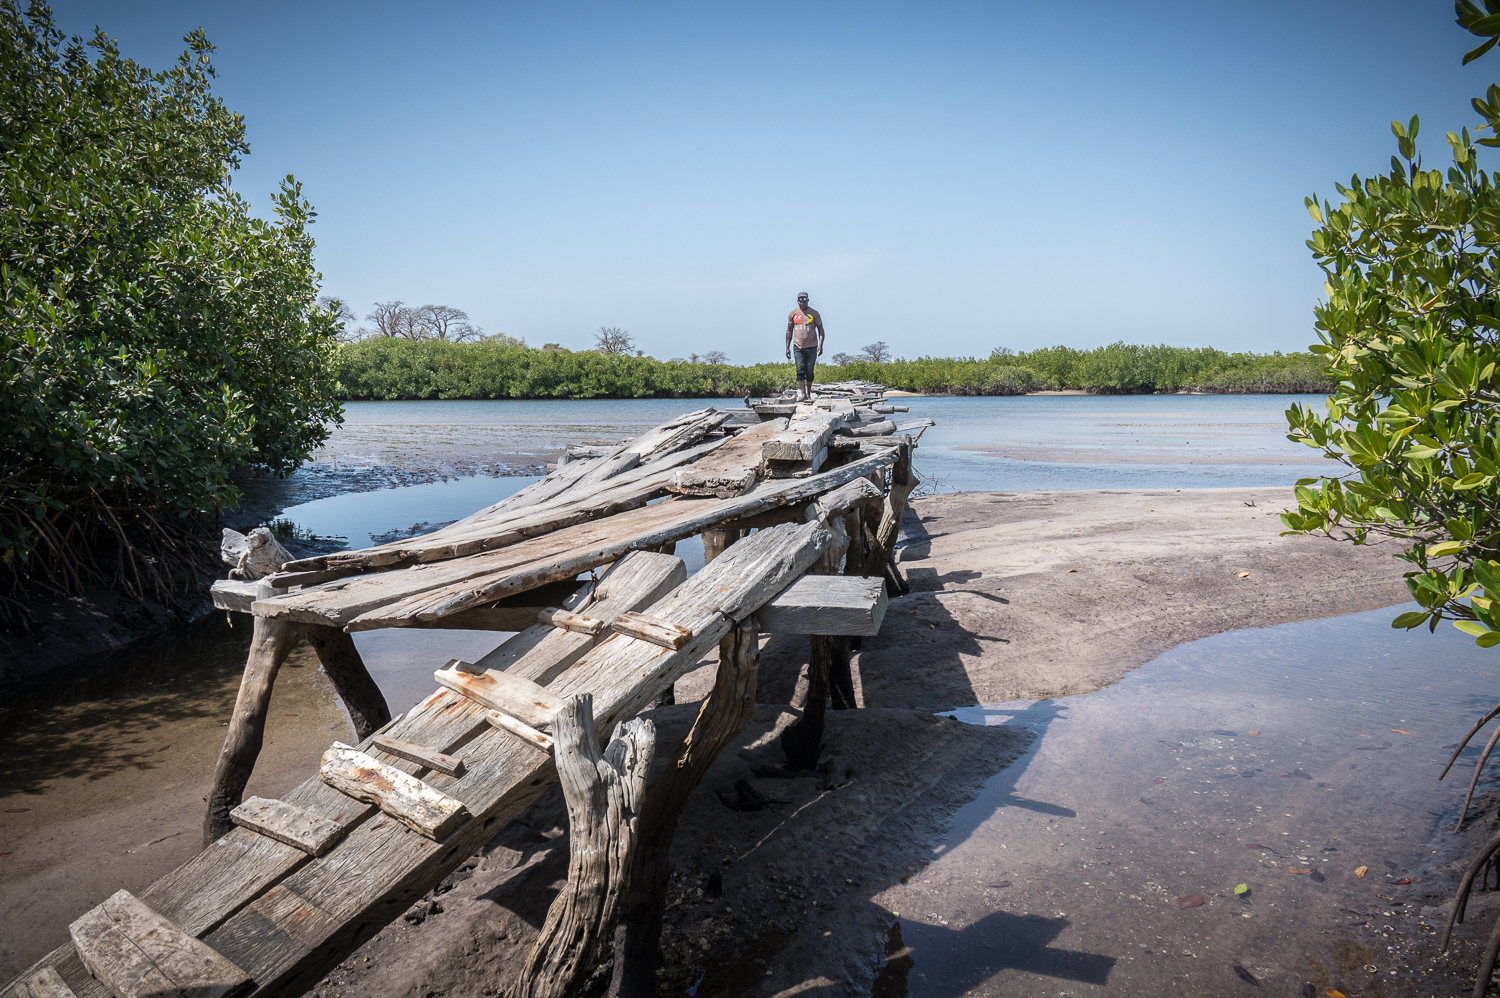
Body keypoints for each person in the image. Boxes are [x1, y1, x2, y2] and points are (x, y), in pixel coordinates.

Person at [784, 292, 825, 402]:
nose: (802, 302)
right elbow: (789, 331)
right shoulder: (793, 314)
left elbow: (821, 331)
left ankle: (808, 393)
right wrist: (787, 347)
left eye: (804, 300)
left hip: (812, 345)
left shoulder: (814, 313)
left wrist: (820, 345)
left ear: (808, 300)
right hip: (798, 346)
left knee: (809, 370)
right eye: (800, 300)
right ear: (797, 301)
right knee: (800, 370)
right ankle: (803, 394)